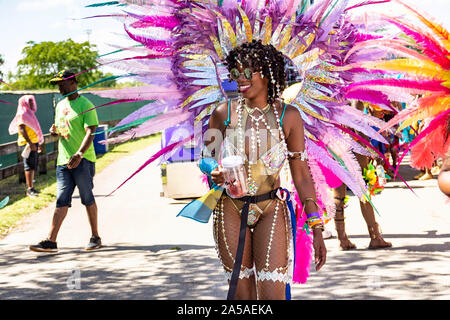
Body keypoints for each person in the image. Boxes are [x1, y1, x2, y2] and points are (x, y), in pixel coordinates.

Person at [203, 40, 326, 300]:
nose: (240, 80)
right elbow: (207, 156)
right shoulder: (223, 113)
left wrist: (316, 227)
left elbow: (301, 175)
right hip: (231, 210)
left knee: (273, 294)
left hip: (272, 208)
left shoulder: (289, 117)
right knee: (242, 296)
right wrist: (213, 171)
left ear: (268, 73)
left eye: (248, 72)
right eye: (235, 73)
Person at [29, 70, 101, 253]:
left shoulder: (86, 105)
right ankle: (51, 241)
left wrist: (79, 154)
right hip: (63, 161)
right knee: (61, 199)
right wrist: (55, 131)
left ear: (73, 83)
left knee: (87, 198)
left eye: (62, 83)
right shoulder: (60, 106)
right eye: (58, 84)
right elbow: (63, 128)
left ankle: (95, 237)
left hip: (83, 160)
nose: (59, 87)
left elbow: (90, 132)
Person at [8, 95, 44, 198]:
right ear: (24, 102)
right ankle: (29, 190)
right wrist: (31, 143)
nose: (32, 103)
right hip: (27, 144)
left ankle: (32, 187)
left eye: (32, 101)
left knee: (33, 165)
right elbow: (22, 130)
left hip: (34, 143)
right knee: (28, 166)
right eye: (30, 101)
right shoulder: (22, 114)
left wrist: (38, 144)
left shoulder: (30, 114)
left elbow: (36, 129)